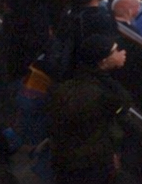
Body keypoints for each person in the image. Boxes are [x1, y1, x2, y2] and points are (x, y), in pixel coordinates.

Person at [48, 33, 130, 184]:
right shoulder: (102, 94)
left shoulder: (68, 85)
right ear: (103, 60)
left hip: (67, 157)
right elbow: (122, 104)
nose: (121, 52)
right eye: (116, 50)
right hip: (92, 162)